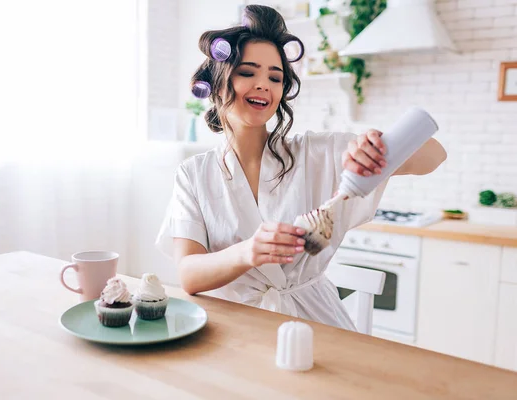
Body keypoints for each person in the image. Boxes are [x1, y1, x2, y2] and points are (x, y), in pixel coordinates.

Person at [156, 5, 447, 330]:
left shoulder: (317, 152)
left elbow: (433, 155)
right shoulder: (194, 174)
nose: (264, 84)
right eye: (248, 72)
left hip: (315, 324)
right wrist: (248, 252)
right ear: (217, 83)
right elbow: (189, 275)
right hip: (234, 328)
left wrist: (374, 147)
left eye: (275, 77)